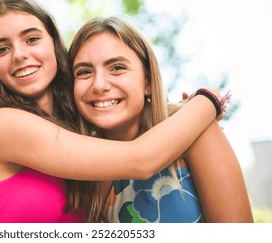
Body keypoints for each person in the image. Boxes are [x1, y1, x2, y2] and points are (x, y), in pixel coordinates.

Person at [0, 0, 225, 223]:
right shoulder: (2, 126)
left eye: (32, 39)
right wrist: (207, 100)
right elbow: (140, 159)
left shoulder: (81, 138)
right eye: (1, 49)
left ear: (54, 45)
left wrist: (173, 110)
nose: (19, 55)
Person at [68, 16, 253, 222]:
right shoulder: (79, 169)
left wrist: (207, 98)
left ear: (147, 80)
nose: (99, 85)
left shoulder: (197, 133)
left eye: (117, 68)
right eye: (84, 72)